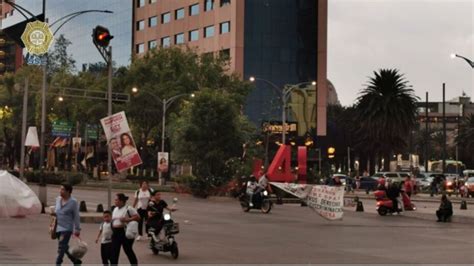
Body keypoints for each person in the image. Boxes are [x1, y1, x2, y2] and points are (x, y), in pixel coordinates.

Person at [55, 183, 82, 266]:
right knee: (64, 246)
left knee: (61, 247)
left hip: (67, 228)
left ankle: (58, 262)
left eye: (62, 189)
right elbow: (56, 211)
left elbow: (76, 216)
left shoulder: (73, 202)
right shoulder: (58, 199)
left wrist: (77, 229)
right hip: (57, 227)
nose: (60, 191)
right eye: (60, 189)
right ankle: (75, 260)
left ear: (68, 192)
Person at [110, 193, 139, 265]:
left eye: (116, 200)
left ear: (122, 201)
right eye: (115, 200)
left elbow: (138, 217)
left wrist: (127, 219)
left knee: (128, 251)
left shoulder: (129, 208)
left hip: (124, 232)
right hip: (115, 233)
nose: (115, 201)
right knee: (114, 252)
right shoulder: (115, 209)